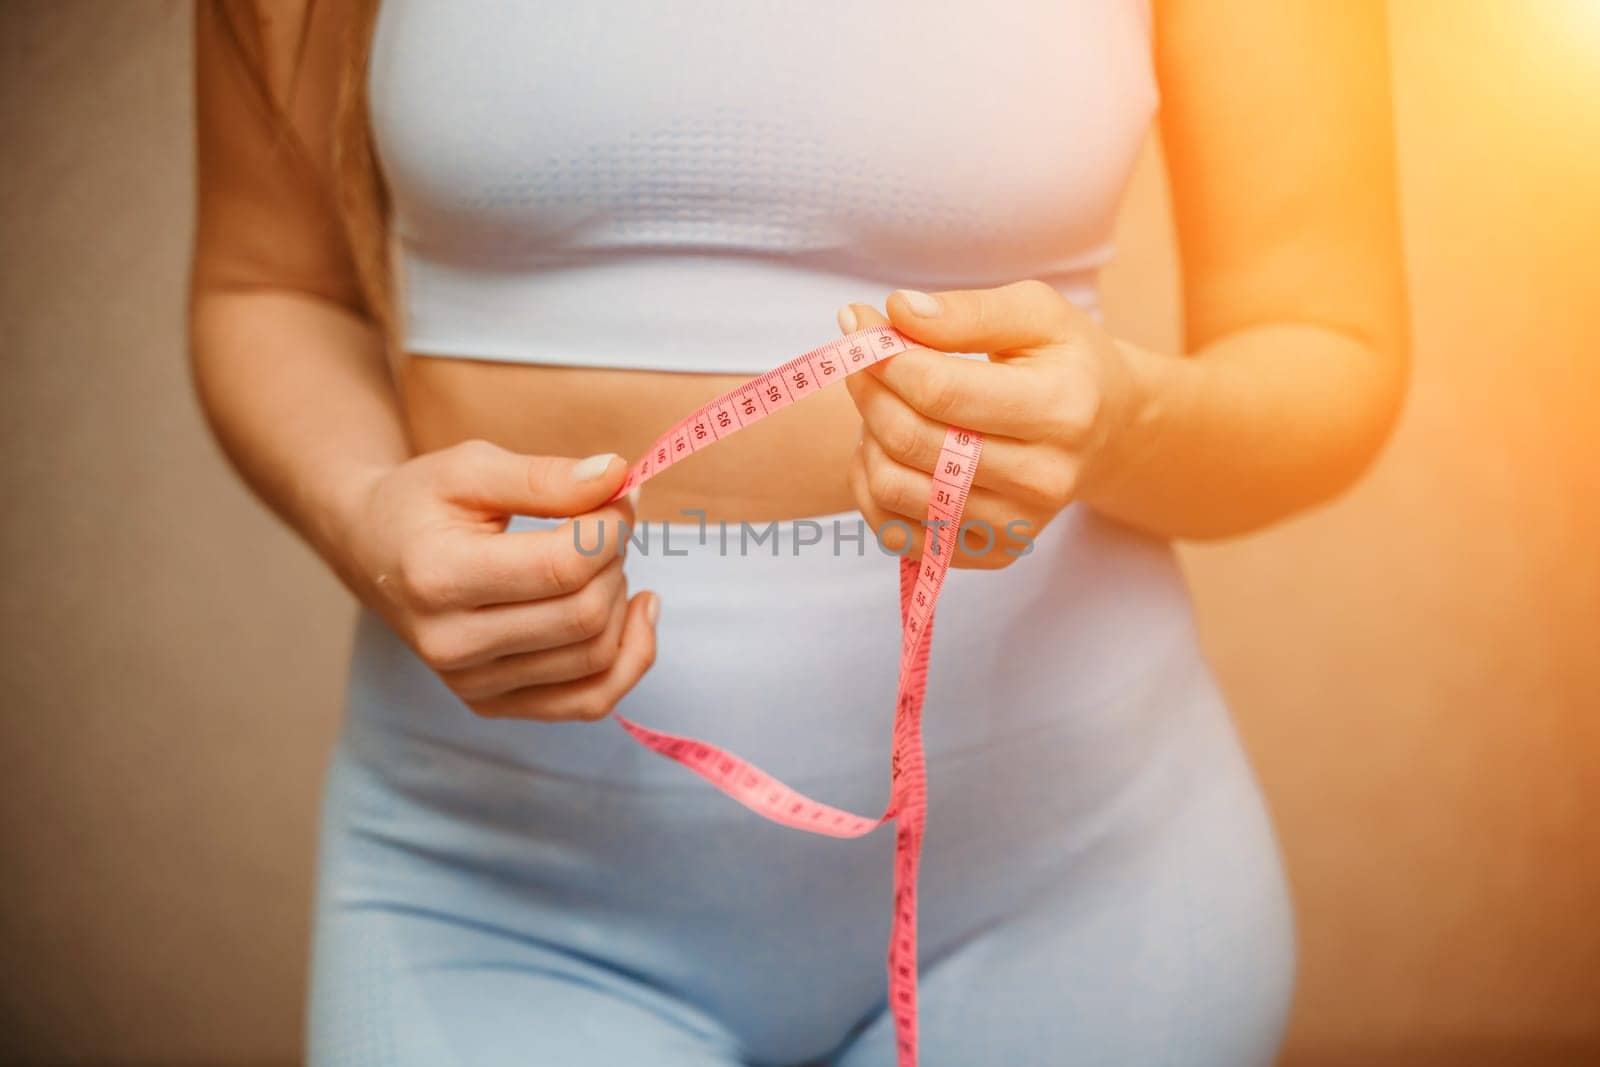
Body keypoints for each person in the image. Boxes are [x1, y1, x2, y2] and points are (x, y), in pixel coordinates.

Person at [189, 1, 1407, 1063]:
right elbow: (264, 285)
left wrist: (1122, 421)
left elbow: (1327, 349)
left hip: (1071, 883)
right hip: (496, 892)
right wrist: (362, 509)